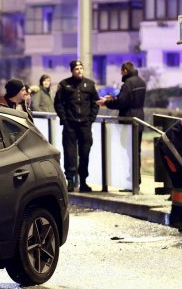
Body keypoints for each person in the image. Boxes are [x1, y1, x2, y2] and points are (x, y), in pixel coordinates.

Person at [54, 60, 99, 192]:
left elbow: (95, 103)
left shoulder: (90, 84)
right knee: (70, 154)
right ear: (72, 71)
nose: (79, 71)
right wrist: (64, 119)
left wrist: (91, 119)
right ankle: (71, 182)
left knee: (85, 154)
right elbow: (58, 103)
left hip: (85, 125)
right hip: (70, 125)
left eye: (81, 68)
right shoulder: (64, 84)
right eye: (76, 69)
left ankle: (83, 181)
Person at [98, 61, 146, 143]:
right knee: (136, 148)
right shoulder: (141, 81)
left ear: (125, 71)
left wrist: (106, 102)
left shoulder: (128, 83)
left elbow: (121, 103)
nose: (121, 73)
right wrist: (114, 97)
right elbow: (131, 98)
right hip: (139, 119)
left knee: (127, 149)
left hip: (128, 121)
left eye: (121, 71)